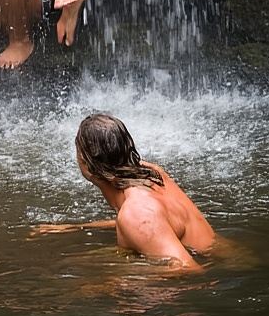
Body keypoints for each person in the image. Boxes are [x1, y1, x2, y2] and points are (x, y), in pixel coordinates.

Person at [30, 114, 216, 270]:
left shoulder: (136, 213)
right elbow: (152, 223)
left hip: (211, 266)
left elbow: (187, 269)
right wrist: (77, 227)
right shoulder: (150, 173)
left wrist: (114, 284)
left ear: (86, 162)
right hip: (220, 253)